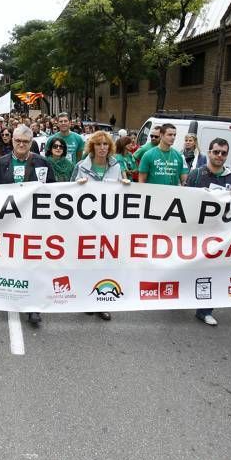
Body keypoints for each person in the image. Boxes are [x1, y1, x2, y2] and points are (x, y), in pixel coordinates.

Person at [0, 124, 55, 327]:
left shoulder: (43, 163)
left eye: (25, 142)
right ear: (12, 141)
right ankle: (11, 296)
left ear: (31, 143)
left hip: (35, 224)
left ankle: (34, 307)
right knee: (12, 263)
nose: (21, 144)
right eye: (18, 141)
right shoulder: (2, 163)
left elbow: (54, 191)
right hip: (10, 224)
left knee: (34, 265)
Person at [71, 131, 130, 322]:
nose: (103, 148)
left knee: (106, 264)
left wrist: (126, 184)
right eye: (99, 144)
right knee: (86, 263)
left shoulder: (117, 165)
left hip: (109, 225)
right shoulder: (81, 166)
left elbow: (122, 188)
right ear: (92, 147)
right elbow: (68, 191)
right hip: (86, 224)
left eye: (106, 144)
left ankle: (102, 303)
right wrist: (77, 186)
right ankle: (86, 301)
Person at [184, 138, 231, 327]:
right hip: (194, 233)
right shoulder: (196, 175)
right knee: (186, 269)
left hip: (217, 237)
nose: (220, 156)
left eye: (223, 153)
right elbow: (184, 202)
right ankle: (176, 298)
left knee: (212, 273)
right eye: (216, 152)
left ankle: (205, 310)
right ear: (209, 152)